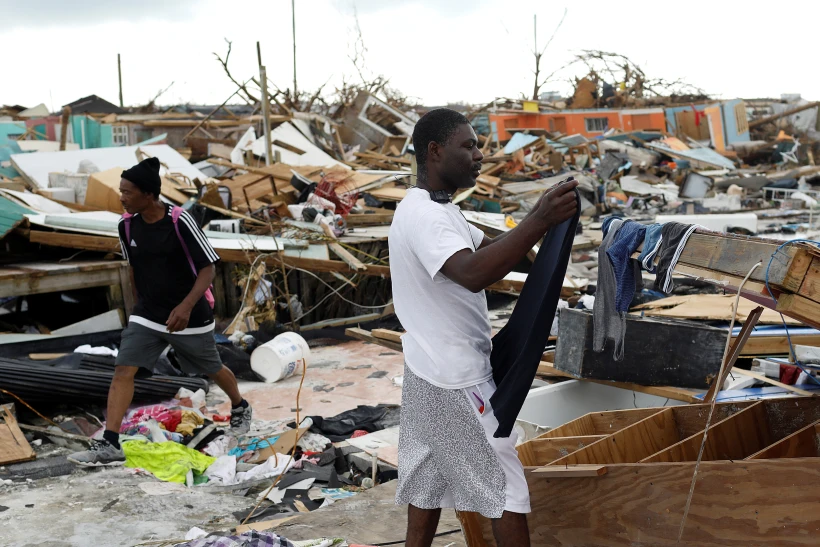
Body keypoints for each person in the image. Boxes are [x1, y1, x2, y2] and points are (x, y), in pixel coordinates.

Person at [389, 109, 578, 547]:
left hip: (425, 366)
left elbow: (489, 248)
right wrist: (538, 220)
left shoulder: (430, 208)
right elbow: (473, 272)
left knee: (426, 477)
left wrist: (546, 232)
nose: (480, 155)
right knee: (507, 490)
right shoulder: (428, 218)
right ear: (435, 152)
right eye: (468, 146)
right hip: (454, 377)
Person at [68, 158, 252, 467]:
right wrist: (138, 310)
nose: (121, 197)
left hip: (189, 313)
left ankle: (241, 405)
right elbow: (133, 269)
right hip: (148, 313)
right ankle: (110, 443)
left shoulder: (180, 221)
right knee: (123, 369)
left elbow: (208, 269)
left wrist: (185, 306)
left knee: (211, 367)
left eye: (127, 192)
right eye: (120, 190)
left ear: (149, 194)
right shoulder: (126, 225)